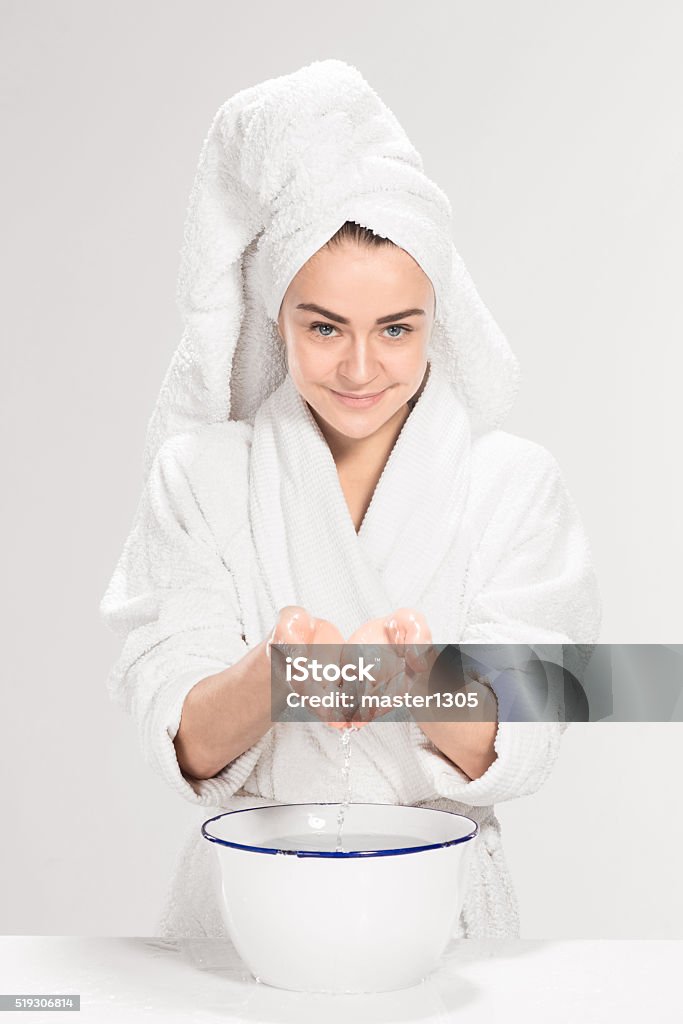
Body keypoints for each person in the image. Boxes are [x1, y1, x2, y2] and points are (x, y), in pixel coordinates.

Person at [100, 60, 601, 941]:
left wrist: (419, 679)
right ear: (275, 316)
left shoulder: (511, 485)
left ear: (436, 319)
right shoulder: (201, 476)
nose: (361, 369)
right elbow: (179, 737)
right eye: (324, 326)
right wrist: (277, 673)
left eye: (395, 329)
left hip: (440, 919)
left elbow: (530, 739)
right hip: (242, 917)